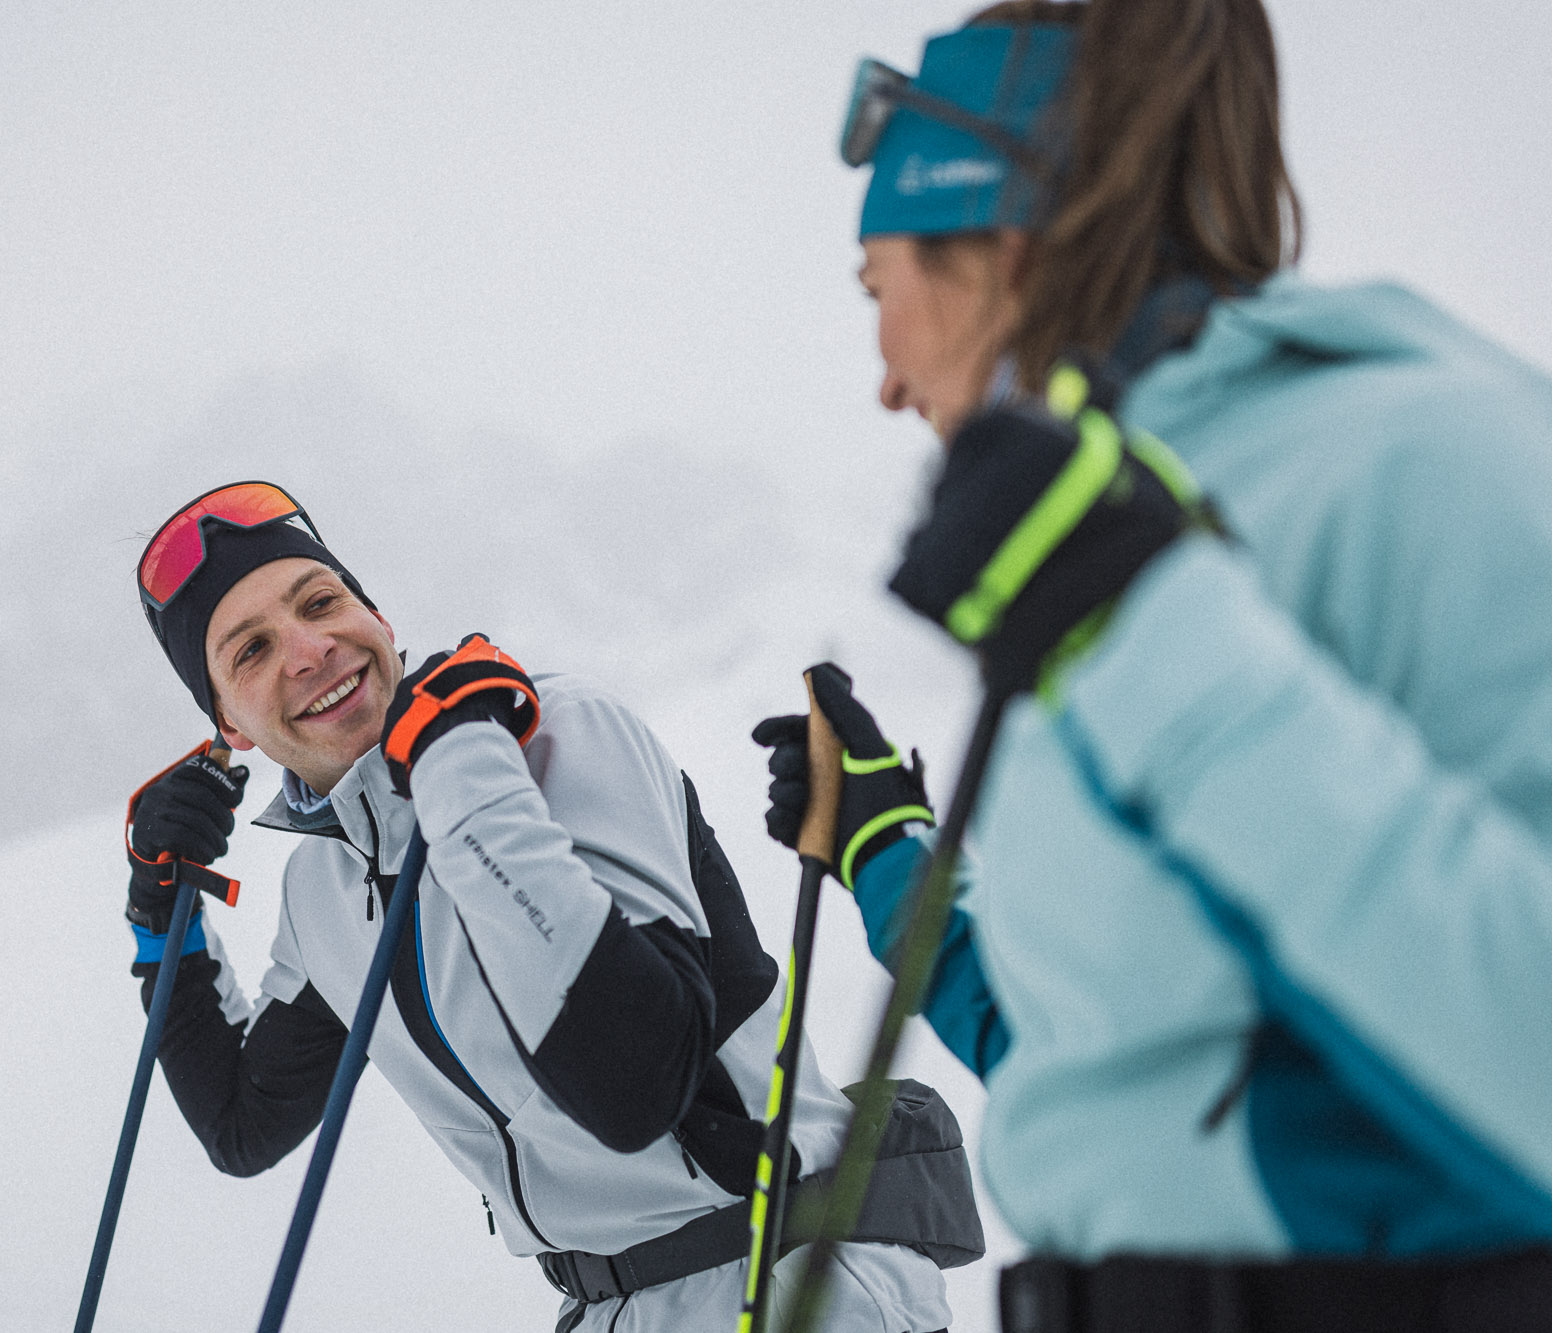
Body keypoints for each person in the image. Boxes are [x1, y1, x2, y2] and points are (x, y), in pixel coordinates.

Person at [754, 2, 1552, 1329]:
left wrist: (1139, 621)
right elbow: (1090, 1063)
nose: (887, 382)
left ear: (996, 239)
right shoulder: (1082, 536)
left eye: (876, 291)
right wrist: (886, 848)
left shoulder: (1418, 456)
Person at [116, 480, 982, 1331]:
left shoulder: (551, 737)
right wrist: (164, 914)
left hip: (787, 1279)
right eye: (251, 651)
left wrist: (461, 774)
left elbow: (636, 1080)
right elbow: (242, 1121)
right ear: (227, 723)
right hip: (607, 1307)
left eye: (321, 600)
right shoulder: (323, 893)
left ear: (378, 618)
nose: (309, 650)